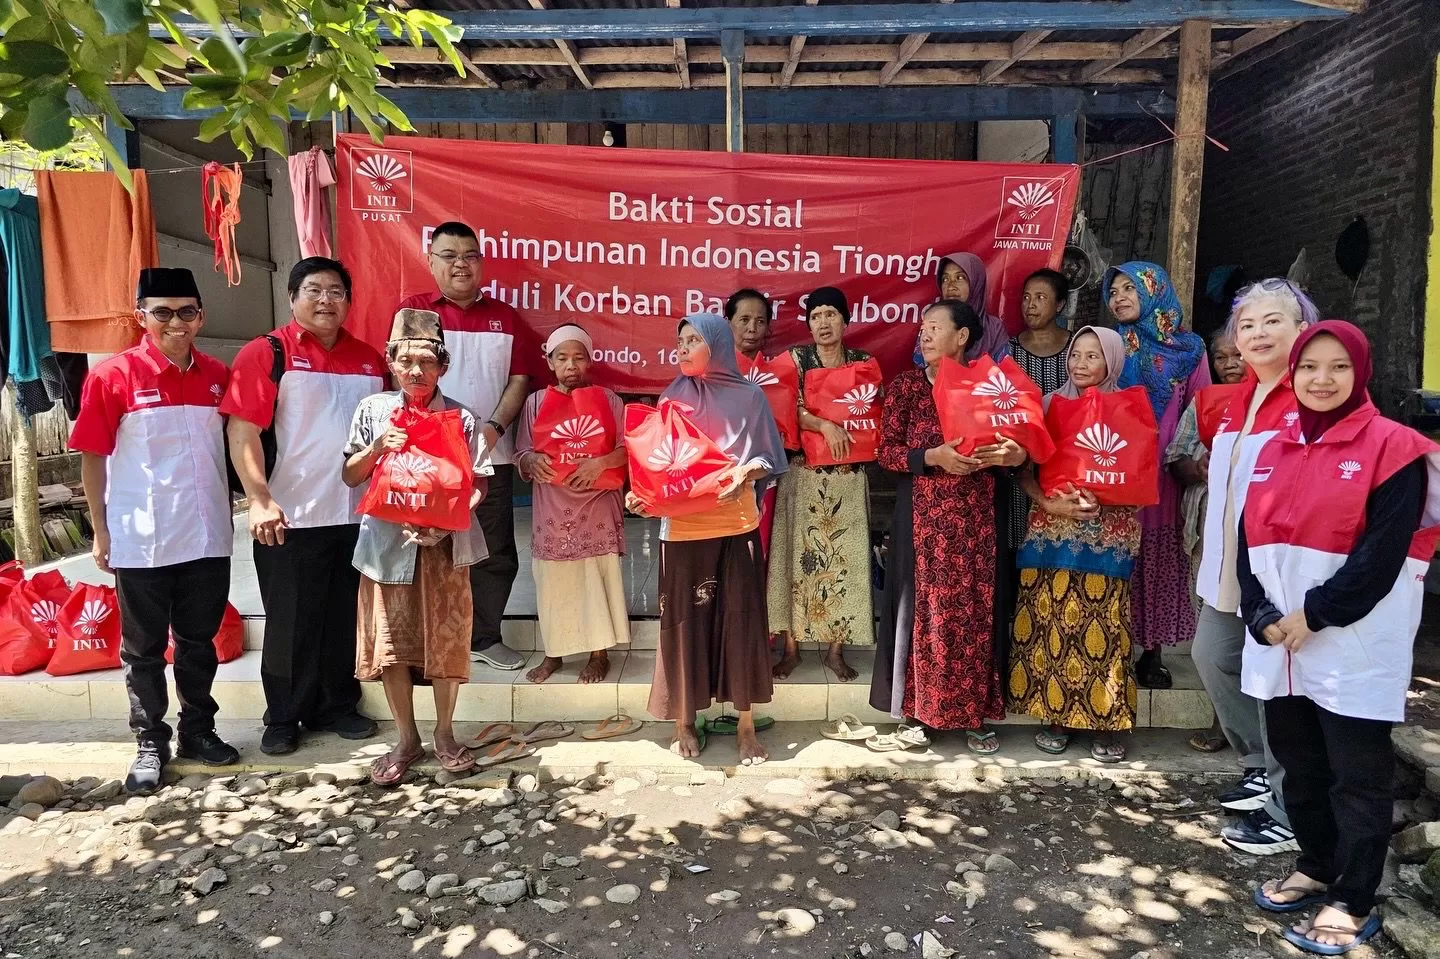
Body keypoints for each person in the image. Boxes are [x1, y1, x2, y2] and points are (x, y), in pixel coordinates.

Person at [1239, 320, 1437, 955]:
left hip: (1350, 638)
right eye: (1309, 368)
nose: (1321, 380)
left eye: (1338, 368)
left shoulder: (1395, 448)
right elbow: (1249, 540)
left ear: (1361, 373)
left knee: (1357, 776)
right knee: (1299, 766)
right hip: (1281, 641)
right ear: (1292, 374)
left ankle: (1354, 898)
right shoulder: (1271, 445)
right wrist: (1258, 608)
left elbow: (1382, 556)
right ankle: (1317, 864)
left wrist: (1315, 614)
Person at [70, 267, 238, 793]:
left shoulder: (217, 374)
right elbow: (93, 460)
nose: (175, 322)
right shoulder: (113, 376)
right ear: (141, 315)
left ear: (200, 316)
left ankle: (199, 730)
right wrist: (100, 531)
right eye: (161, 312)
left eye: (186, 311)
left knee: (199, 640)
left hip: (206, 532)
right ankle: (149, 740)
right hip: (141, 536)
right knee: (142, 648)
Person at [225, 256, 385, 756]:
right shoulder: (267, 352)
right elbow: (242, 430)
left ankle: (339, 705)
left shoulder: (370, 359)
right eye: (313, 290)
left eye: (336, 291)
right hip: (289, 514)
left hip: (356, 514)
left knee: (342, 616)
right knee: (290, 621)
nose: (325, 300)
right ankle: (284, 716)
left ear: (348, 301)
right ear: (292, 297)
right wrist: (259, 500)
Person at [1188, 279, 1315, 855]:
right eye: (1248, 325)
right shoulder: (1236, 399)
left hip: (1281, 571)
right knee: (1211, 655)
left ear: (1301, 330)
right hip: (1226, 564)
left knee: (1278, 685)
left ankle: (1290, 812)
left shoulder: (1311, 398)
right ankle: (1259, 765)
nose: (1258, 334)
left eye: (1273, 322)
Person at [869, 300, 1026, 755]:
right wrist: (931, 458)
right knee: (919, 616)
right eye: (923, 327)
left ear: (962, 337)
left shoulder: (988, 386)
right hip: (921, 523)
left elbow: (1017, 448)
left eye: (935, 327)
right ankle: (916, 714)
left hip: (975, 523)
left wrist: (1009, 456)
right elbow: (888, 452)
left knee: (973, 615)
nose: (925, 334)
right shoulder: (907, 388)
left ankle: (973, 714)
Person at [342, 309, 492, 785]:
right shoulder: (372, 413)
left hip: (447, 550)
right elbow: (349, 474)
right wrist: (379, 448)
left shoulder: (462, 417)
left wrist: (449, 524)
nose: (415, 372)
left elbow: (479, 484)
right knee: (395, 647)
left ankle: (445, 734)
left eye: (426, 362)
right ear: (390, 363)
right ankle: (406, 738)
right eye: (405, 361)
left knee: (446, 643)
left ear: (443, 366)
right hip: (386, 550)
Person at [633, 313, 787, 766]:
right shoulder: (672, 398)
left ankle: (744, 726)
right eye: (679, 341)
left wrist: (746, 469)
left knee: (740, 621)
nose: (681, 349)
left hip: (735, 526)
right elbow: (659, 465)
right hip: (681, 530)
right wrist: (643, 497)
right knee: (683, 624)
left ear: (716, 346)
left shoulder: (750, 397)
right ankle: (683, 721)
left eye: (692, 340)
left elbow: (769, 458)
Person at [398, 221, 537, 671]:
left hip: (489, 458)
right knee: (429, 550)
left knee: (493, 552)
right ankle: (427, 644)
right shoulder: (415, 313)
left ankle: (484, 637)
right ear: (432, 261)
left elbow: (519, 379)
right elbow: (404, 377)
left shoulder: (506, 317)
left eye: (470, 255)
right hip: (427, 460)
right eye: (450, 255)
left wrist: (494, 428)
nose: (461, 264)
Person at [1009, 327, 1140, 763]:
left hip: (1107, 535)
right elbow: (1025, 470)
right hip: (1053, 530)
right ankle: (1055, 715)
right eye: (1076, 355)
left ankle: (1108, 720)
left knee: (1104, 622)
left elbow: (1142, 474)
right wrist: (1049, 502)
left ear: (1113, 363)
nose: (1080, 364)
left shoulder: (1133, 408)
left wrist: (1110, 490)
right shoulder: (1049, 404)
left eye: (1093, 357)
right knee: (1054, 622)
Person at [1104, 261, 1210, 689]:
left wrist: (1191, 463)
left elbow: (1203, 411)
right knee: (1117, 559)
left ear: (1154, 291)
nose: (1120, 297)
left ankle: (1152, 652)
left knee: (1158, 559)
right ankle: (1112, 647)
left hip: (1164, 477)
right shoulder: (1111, 344)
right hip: (1114, 468)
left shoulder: (1190, 349)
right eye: (1114, 291)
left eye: (1130, 288)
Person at [767, 286, 874, 683]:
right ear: (808, 323)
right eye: (816, 316)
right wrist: (825, 424)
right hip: (804, 475)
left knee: (843, 560)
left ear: (845, 320)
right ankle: (791, 650)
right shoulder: (794, 360)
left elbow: (871, 410)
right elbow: (785, 408)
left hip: (847, 476)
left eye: (831, 314)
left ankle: (835, 651)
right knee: (799, 559)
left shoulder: (865, 362)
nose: (823, 323)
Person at [514, 324, 631, 685]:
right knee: (553, 581)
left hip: (597, 502)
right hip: (553, 507)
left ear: (590, 360)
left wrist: (601, 463)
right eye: (562, 358)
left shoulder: (610, 400)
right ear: (549, 362)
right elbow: (520, 452)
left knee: (597, 577)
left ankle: (600, 654)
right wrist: (530, 461)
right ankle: (554, 652)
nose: (571, 366)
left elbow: (628, 449)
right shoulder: (534, 402)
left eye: (579, 357)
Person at [1166, 330, 1247, 754]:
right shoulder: (1205, 403)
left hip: (1259, 537)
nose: (1230, 363)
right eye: (1221, 357)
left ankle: (1264, 739)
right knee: (1214, 639)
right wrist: (1197, 468)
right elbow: (1174, 461)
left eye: (1239, 354)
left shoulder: (1280, 404)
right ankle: (1225, 723)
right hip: (1208, 537)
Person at [999, 267, 1073, 682]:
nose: (1030, 305)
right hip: (1018, 476)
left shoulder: (1076, 350)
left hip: (1065, 472)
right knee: (1016, 557)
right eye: (1026, 297)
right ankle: (1018, 655)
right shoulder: (1009, 352)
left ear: (1060, 304)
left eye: (1041, 298)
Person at [727, 288, 791, 553]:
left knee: (760, 551)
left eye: (760, 321)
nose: (752, 328)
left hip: (765, 477)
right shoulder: (711, 371)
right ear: (728, 323)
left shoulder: (781, 373)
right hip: (724, 477)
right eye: (744, 320)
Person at [937, 252, 1010, 362]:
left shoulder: (994, 329)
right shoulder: (933, 323)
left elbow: (1002, 373)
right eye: (945, 279)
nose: (951, 286)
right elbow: (922, 370)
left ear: (976, 282)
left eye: (960, 277)